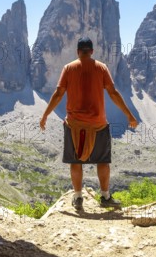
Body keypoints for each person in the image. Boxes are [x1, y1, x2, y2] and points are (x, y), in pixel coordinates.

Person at [39, 37, 138, 211]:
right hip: (98, 124)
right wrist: (129, 115)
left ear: (78, 51)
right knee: (103, 161)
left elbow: (58, 93)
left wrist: (45, 115)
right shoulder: (101, 68)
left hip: (74, 125)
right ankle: (106, 196)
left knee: (75, 162)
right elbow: (113, 93)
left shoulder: (68, 68)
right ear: (91, 51)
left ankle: (77, 198)